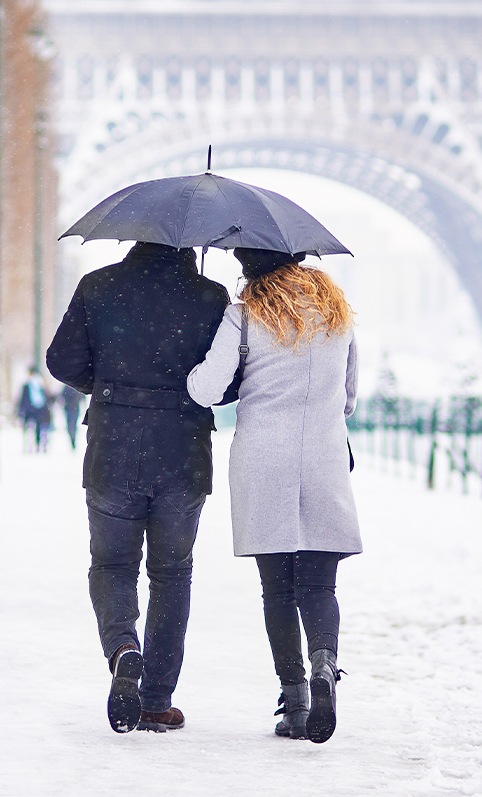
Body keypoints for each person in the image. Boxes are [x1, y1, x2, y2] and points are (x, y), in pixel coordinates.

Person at [46, 241, 229, 734]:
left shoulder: (98, 285)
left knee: (111, 564)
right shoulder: (211, 297)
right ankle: (155, 700)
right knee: (172, 575)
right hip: (182, 452)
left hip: (113, 445)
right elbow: (227, 382)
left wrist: (110, 388)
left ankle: (124, 648)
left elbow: (61, 361)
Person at [185, 248, 360, 744]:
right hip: (324, 457)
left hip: (263, 458)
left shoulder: (243, 316)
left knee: (278, 589)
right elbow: (348, 398)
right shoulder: (336, 314)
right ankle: (325, 663)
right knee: (320, 585)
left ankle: (296, 701)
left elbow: (206, 389)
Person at [16, 366, 52, 452]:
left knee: (29, 429)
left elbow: (23, 399)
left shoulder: (27, 384)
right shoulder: (41, 384)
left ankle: (30, 446)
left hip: (30, 410)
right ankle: (39, 445)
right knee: (40, 428)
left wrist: (20, 410)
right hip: (40, 410)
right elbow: (47, 397)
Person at [60, 384, 84, 450]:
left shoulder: (67, 387)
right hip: (75, 408)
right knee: (73, 424)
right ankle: (73, 436)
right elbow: (82, 397)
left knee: (70, 425)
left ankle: (72, 436)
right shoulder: (77, 387)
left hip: (69, 408)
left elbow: (62, 396)